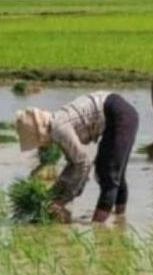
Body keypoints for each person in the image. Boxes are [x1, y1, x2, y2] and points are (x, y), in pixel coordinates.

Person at [16, 92, 139, 223]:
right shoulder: (56, 124)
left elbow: (84, 163)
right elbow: (73, 164)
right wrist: (54, 193)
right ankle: (120, 221)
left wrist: (62, 200)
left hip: (120, 115)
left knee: (108, 174)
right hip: (120, 112)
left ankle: (97, 227)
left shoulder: (59, 129)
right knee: (116, 174)